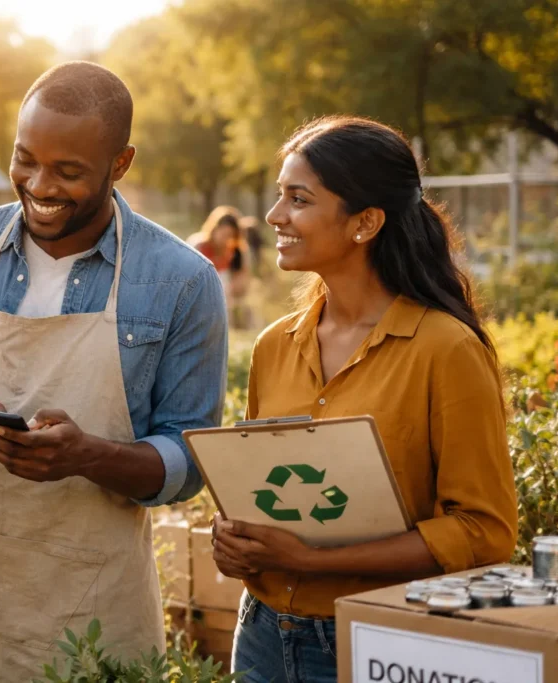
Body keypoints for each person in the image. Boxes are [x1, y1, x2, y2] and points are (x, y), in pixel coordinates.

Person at [0, 61, 228, 682]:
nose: (39, 185)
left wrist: (88, 456)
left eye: (68, 171)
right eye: (25, 159)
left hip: (97, 610)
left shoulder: (181, 281)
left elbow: (189, 458)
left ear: (121, 163)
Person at [211, 116, 518, 682]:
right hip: (261, 636)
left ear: (365, 222)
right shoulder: (274, 346)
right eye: (279, 196)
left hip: (378, 641)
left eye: (298, 199)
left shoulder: (446, 349)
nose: (275, 216)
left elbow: (484, 530)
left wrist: (311, 561)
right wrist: (233, 538)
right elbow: (259, 489)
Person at [189, 206, 249, 327]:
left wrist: (236, 286)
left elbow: (242, 278)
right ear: (214, 229)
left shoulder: (236, 251)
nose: (226, 239)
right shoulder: (198, 246)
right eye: (223, 234)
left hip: (223, 299)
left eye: (230, 236)